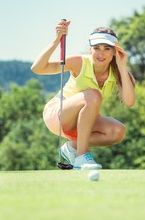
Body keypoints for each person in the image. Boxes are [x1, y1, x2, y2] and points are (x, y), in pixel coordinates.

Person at [31, 20, 136, 169]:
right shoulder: (79, 62)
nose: (101, 53)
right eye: (96, 48)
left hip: (82, 121)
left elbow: (129, 102)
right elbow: (38, 68)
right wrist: (56, 40)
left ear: (115, 51)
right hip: (57, 114)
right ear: (90, 49)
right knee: (94, 95)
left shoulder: (117, 70)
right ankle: (81, 157)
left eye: (107, 48)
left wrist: (122, 65)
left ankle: (72, 148)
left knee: (117, 131)